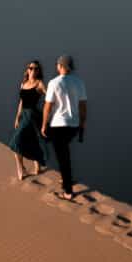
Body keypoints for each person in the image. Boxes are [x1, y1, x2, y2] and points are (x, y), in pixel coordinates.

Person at [41, 54, 88, 200]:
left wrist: (44, 125)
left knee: (63, 157)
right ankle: (65, 178)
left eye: (57, 64)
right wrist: (82, 123)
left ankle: (68, 191)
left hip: (58, 124)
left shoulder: (54, 83)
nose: (56, 66)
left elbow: (47, 106)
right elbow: (83, 106)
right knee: (63, 152)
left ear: (61, 66)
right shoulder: (79, 82)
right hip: (73, 125)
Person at [7, 60, 47, 180]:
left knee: (21, 140)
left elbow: (49, 97)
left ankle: (27, 166)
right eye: (31, 68)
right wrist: (17, 117)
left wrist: (47, 109)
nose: (33, 70)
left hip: (33, 116)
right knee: (24, 140)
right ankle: (25, 167)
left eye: (36, 69)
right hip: (24, 115)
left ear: (38, 71)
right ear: (27, 69)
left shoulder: (39, 84)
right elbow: (21, 102)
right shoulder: (23, 84)